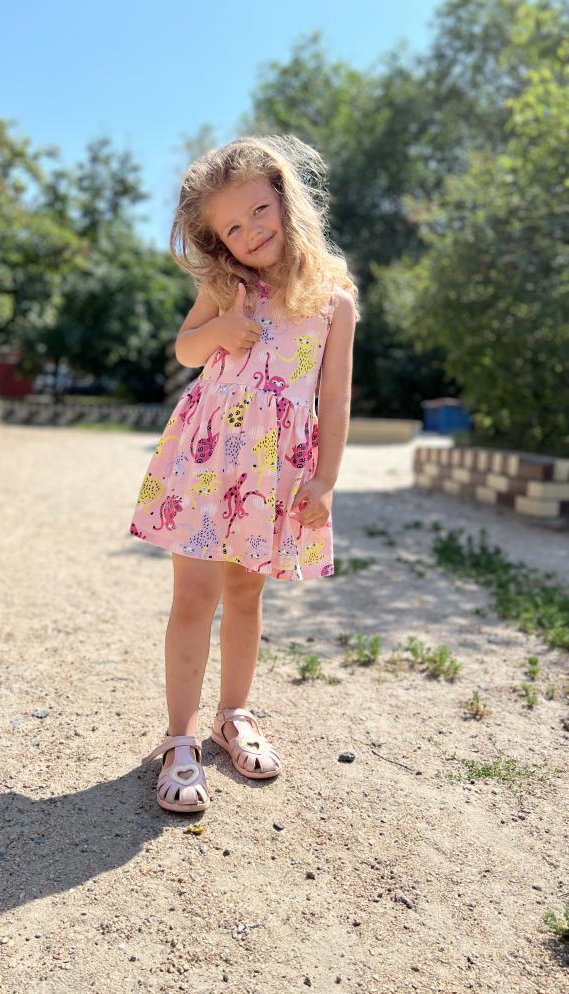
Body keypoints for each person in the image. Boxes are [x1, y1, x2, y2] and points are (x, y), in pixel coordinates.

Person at [129, 135, 359, 813]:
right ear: (217, 240)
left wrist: (325, 479)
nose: (251, 231)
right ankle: (179, 738)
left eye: (260, 210)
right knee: (194, 595)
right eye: (232, 227)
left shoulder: (334, 301)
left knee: (246, 593)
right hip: (209, 459)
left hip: (274, 470)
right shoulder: (225, 285)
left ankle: (234, 715)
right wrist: (220, 331)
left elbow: (335, 398)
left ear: (286, 200)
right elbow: (185, 348)